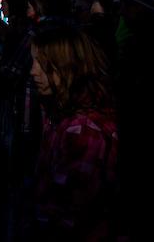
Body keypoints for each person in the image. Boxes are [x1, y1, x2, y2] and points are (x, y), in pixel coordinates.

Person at [28, 24, 118, 240]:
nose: (33, 71)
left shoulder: (82, 132)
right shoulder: (64, 115)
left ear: (66, 66)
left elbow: (70, 215)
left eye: (41, 63)